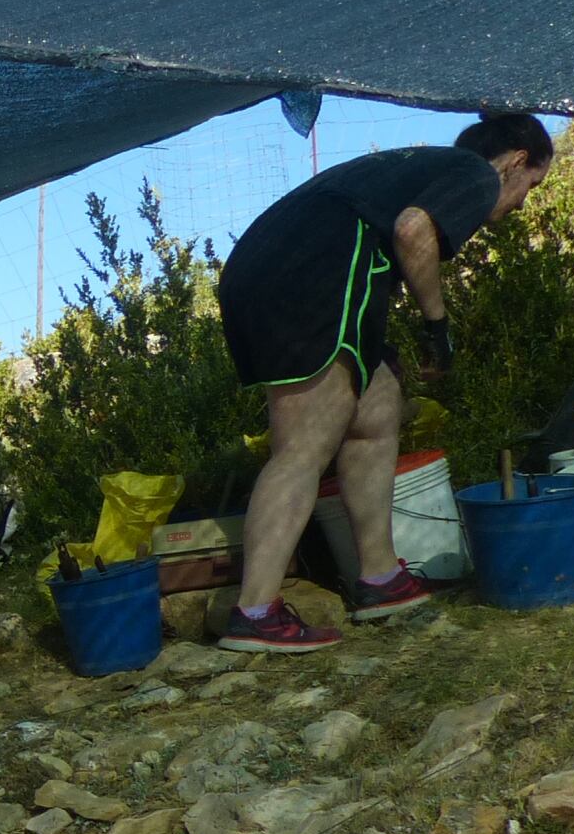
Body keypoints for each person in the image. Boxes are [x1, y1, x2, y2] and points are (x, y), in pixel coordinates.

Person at [218, 112, 554, 654]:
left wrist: (382, 343)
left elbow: (377, 242)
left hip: (266, 270)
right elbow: (412, 230)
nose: (521, 204)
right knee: (303, 448)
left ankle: (379, 578)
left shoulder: (418, 167)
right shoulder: (475, 173)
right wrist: (437, 328)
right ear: (516, 161)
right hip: (305, 276)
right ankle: (254, 611)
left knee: (375, 406)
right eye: (532, 186)